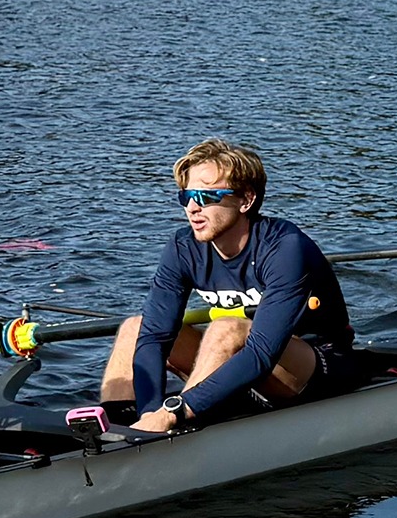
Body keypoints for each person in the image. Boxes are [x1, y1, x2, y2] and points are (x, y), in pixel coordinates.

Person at [100, 139, 359, 433]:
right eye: (186, 197)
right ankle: (121, 428)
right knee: (135, 329)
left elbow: (261, 353)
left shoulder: (285, 248)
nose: (194, 208)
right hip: (246, 362)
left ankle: (180, 424)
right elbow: (155, 339)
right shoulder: (182, 248)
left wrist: (175, 413)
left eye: (207, 197)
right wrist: (149, 414)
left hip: (320, 365)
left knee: (227, 327)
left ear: (246, 200)